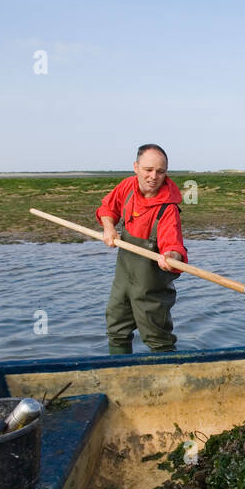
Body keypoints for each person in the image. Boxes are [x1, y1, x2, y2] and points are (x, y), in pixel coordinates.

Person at [96, 144, 188, 354]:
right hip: (123, 281)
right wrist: (109, 228)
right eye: (148, 170)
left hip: (151, 289)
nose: (153, 176)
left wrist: (171, 256)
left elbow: (174, 245)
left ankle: (167, 381)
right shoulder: (127, 187)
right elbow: (108, 208)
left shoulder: (168, 209)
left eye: (160, 171)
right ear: (136, 167)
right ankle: (120, 379)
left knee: (159, 340)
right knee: (116, 329)